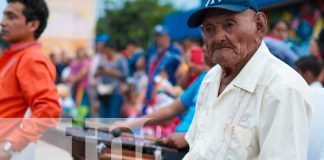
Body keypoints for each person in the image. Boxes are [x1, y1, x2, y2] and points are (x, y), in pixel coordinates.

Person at [184, 0, 312, 159]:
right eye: (209, 29)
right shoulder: (211, 78)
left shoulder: (281, 88)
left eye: (229, 24)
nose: (218, 38)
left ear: (259, 25)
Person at [0, 0, 61, 159]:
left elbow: (48, 109)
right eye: (4, 15)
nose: (3, 22)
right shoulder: (14, 56)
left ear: (32, 25)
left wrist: (9, 146)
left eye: (11, 17)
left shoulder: (31, 59)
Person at [95, 41, 129, 118]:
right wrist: (101, 70)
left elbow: (125, 75)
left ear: (111, 50)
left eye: (107, 51)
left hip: (115, 92)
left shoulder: (120, 59)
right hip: (103, 91)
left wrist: (111, 72)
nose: (106, 53)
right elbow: (95, 74)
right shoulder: (102, 59)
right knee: (102, 115)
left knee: (112, 115)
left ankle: (113, 129)